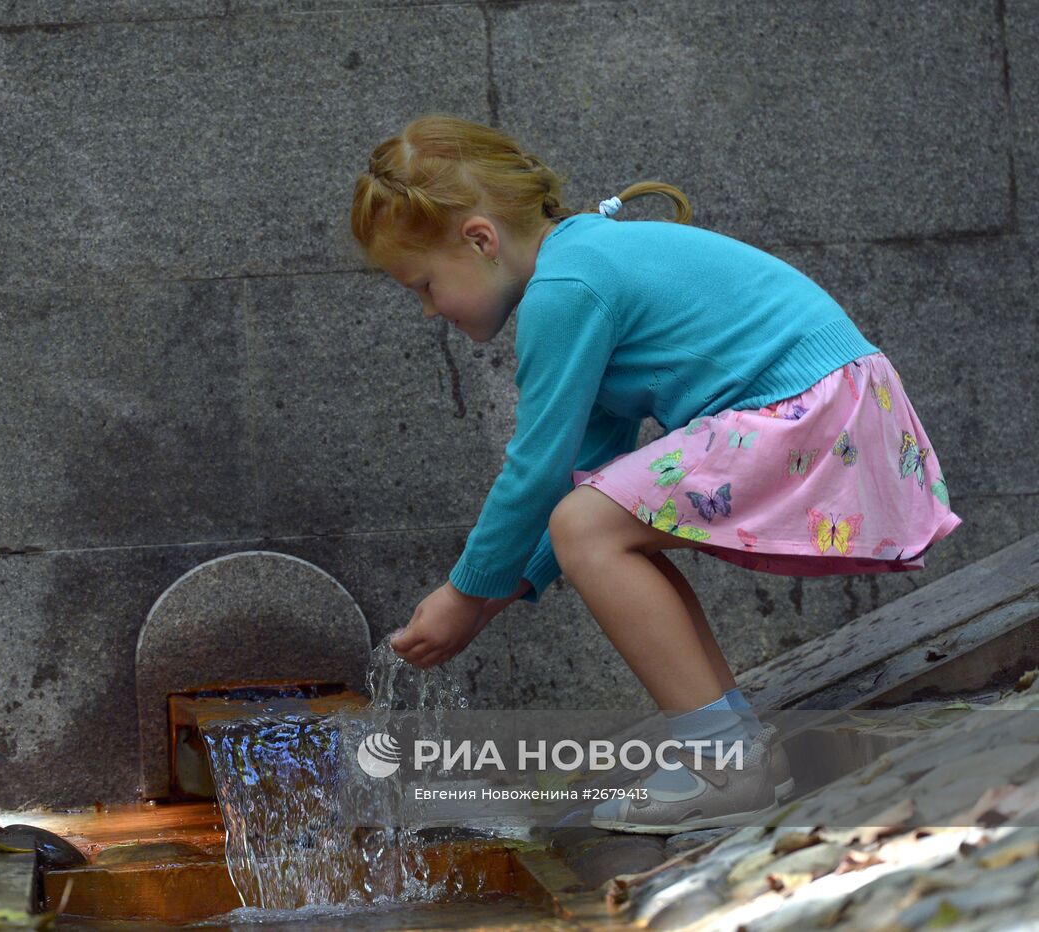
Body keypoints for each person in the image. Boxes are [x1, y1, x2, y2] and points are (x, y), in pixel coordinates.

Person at [349, 114, 963, 834]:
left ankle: (720, 764)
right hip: (833, 401)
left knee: (589, 528)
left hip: (809, 409)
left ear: (480, 240)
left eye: (424, 285)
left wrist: (462, 592)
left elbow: (537, 470)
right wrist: (499, 591)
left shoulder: (565, 290)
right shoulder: (582, 267)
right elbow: (591, 474)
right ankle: (730, 749)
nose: (427, 310)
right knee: (599, 525)